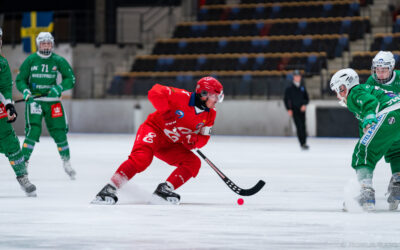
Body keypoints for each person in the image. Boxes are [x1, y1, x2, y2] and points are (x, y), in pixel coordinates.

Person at [92, 76, 224, 205]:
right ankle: (108, 189)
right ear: (203, 93)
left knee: (193, 162)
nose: (216, 100)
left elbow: (204, 138)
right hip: (153, 130)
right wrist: (167, 114)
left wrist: (194, 140)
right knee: (142, 159)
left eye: (217, 97)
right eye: (214, 96)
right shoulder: (181, 96)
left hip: (170, 144)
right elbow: (154, 91)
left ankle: (164, 190)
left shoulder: (211, 114)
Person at [330, 68, 400, 211]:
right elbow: (365, 130)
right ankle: (398, 184)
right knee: (395, 151)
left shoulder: (355, 92)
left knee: (361, 152)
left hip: (389, 113)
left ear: (345, 86)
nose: (338, 96)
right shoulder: (367, 88)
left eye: (339, 90)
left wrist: (369, 116)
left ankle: (365, 191)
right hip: (395, 112)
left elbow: (371, 102)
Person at [15, 32, 76, 180]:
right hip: (35, 101)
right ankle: (24, 163)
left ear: (52, 44)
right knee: (33, 131)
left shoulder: (58, 60)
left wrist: (60, 88)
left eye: (49, 43)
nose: (46, 45)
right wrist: (26, 91)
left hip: (53, 102)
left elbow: (71, 79)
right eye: (43, 43)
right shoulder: (31, 60)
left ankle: (66, 161)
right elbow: (20, 80)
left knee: (60, 132)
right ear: (38, 44)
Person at [0, 28, 36, 196]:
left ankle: (22, 177)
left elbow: (5, 87)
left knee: (12, 144)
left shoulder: (3, 63)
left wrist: (9, 105)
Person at [366, 51, 400, 209]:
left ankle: (398, 179)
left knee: (397, 149)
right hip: (379, 123)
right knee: (367, 151)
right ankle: (365, 187)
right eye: (377, 70)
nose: (379, 73)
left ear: (392, 68)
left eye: (383, 70)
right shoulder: (370, 82)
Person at [283, 69, 310, 150]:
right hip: (294, 110)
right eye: (296, 76)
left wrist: (304, 105)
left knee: (303, 126)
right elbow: (286, 99)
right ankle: (302, 143)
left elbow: (307, 98)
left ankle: (304, 142)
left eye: (298, 76)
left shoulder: (302, 87)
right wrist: (289, 109)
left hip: (302, 110)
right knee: (299, 126)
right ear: (293, 77)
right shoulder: (289, 88)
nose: (297, 78)